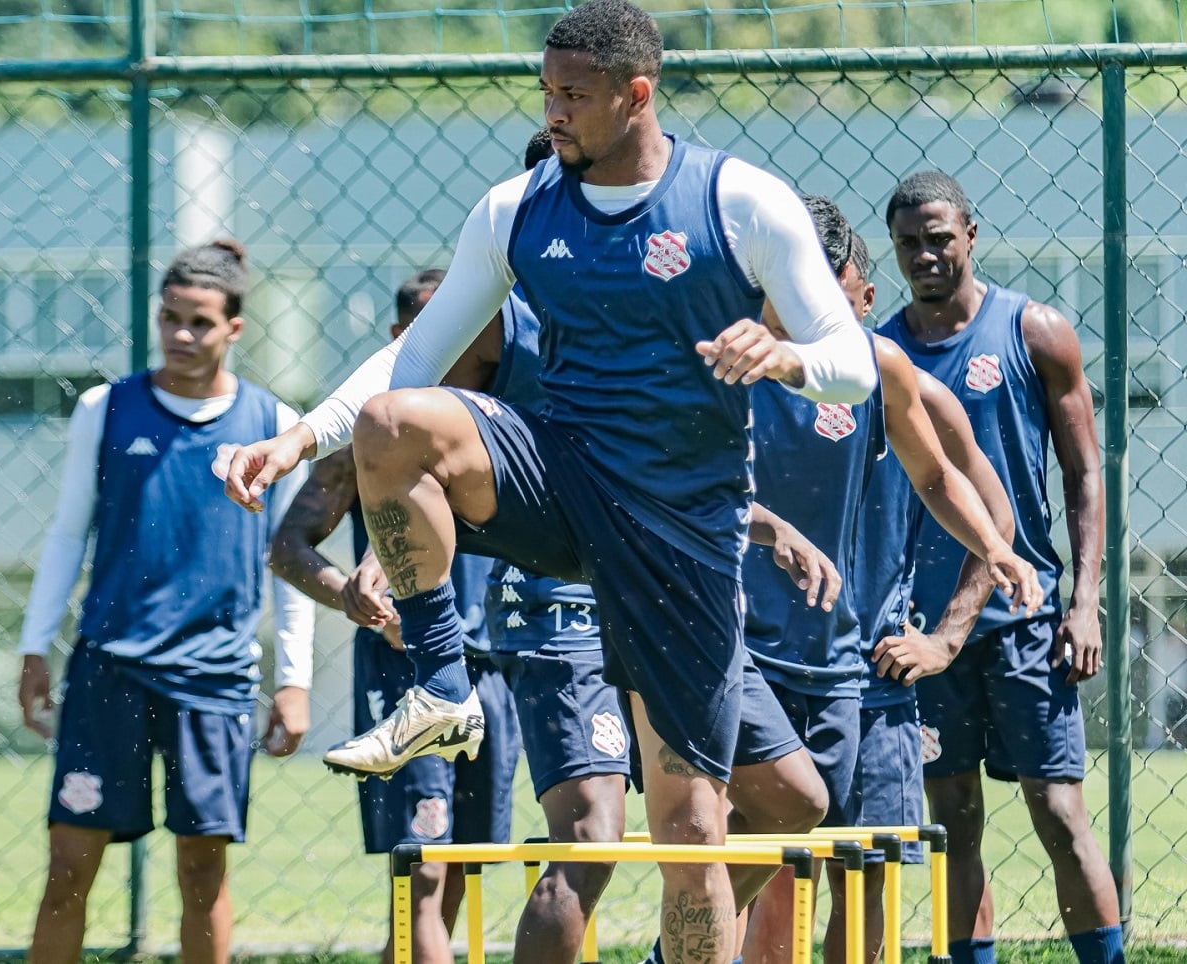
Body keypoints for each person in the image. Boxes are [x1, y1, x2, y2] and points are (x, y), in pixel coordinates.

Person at [224, 1, 880, 958]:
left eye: (574, 95)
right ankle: (442, 687)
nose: (555, 112)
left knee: (693, 826)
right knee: (392, 424)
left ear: (636, 93)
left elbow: (852, 363)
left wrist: (781, 354)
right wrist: (300, 440)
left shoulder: (741, 201)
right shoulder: (515, 210)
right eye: (548, 92)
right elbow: (412, 360)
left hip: (680, 535)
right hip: (562, 479)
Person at [738, 198, 1042, 964]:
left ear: (862, 299)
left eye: (830, 299)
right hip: (753, 659)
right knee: (771, 870)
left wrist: (946, 637)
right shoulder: (735, 366)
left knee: (864, 876)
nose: (811, 316)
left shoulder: (892, 379)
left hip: (863, 671)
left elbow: (982, 504)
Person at [16, 239, 316, 964]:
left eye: (201, 322)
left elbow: (290, 560)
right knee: (69, 867)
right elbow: (65, 536)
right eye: (170, 318)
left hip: (213, 678)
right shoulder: (106, 408)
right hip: (108, 669)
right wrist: (35, 647)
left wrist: (294, 679)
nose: (182, 335)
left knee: (202, 871)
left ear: (235, 328)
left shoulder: (273, 420)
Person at [880, 170, 1124, 964]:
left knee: (1057, 811)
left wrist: (1083, 601)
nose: (926, 254)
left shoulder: (1034, 331)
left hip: (1024, 618)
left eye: (940, 237)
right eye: (910, 242)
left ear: (971, 235)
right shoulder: (881, 357)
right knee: (952, 820)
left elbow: (1085, 473)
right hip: (923, 630)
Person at [269, 268, 520, 964]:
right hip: (407, 669)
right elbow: (287, 547)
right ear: (395, 341)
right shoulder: (370, 436)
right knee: (422, 871)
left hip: (494, 665)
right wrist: (348, 593)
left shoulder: (502, 422)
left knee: (466, 863)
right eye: (422, 334)